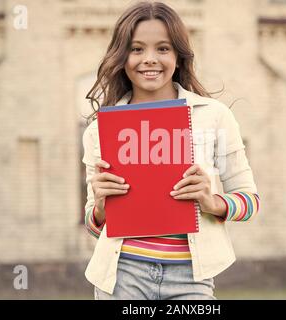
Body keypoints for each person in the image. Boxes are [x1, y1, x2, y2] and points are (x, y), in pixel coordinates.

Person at [81, 1, 260, 300]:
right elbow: (94, 225)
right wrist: (100, 206)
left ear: (178, 56)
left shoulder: (213, 116)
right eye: (137, 49)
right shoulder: (99, 131)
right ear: (122, 57)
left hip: (191, 278)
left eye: (163, 48)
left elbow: (250, 201)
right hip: (121, 276)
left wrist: (211, 201)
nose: (149, 59)